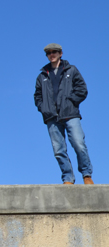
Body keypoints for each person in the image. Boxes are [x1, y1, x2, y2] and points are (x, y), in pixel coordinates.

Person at [34, 43, 94, 185]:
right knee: (58, 150)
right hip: (51, 117)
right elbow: (37, 96)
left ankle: (86, 174)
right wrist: (43, 108)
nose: (51, 54)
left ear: (61, 53)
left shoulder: (71, 70)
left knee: (79, 144)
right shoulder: (42, 75)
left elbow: (82, 89)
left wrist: (71, 101)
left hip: (70, 114)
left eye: (54, 52)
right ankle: (68, 178)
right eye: (49, 53)